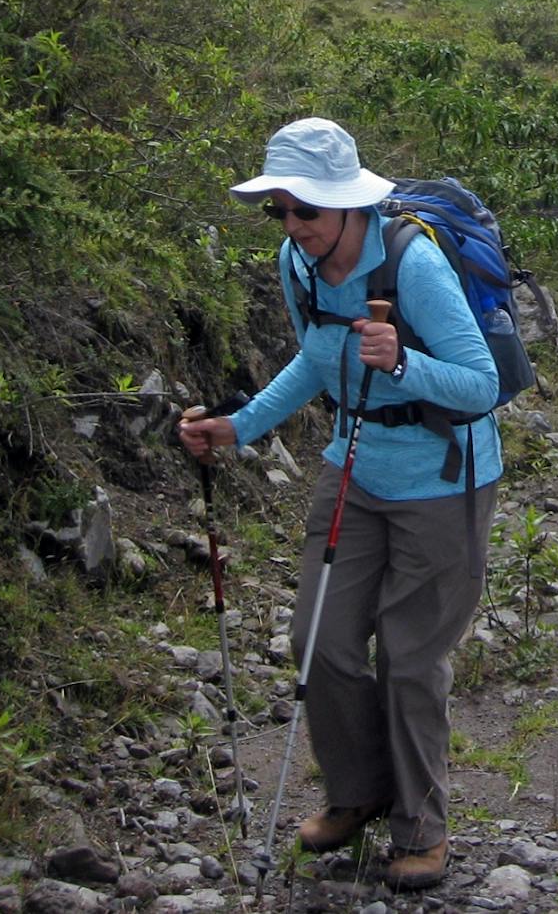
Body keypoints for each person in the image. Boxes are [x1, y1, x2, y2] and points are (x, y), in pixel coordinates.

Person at [178, 117, 500, 891]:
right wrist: (240, 426)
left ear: (349, 208)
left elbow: (481, 384)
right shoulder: (298, 263)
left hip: (444, 477)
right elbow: (317, 359)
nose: (292, 225)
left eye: (306, 211)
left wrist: (406, 362)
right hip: (353, 468)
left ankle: (421, 826)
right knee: (316, 639)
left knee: (411, 656)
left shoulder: (413, 264)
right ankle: (357, 794)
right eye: (281, 210)